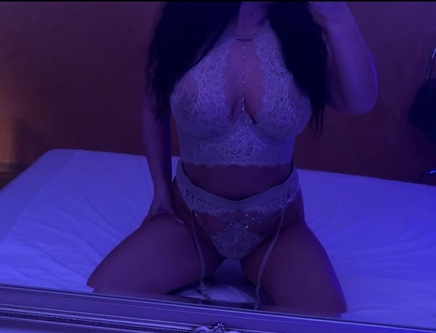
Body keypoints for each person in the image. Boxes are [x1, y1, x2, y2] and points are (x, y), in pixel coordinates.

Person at [87, 1, 377, 316]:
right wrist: (160, 188)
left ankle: (231, 324)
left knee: (323, 315)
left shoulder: (305, 32)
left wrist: (337, 16)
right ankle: (220, 323)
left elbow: (359, 102)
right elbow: (153, 104)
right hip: (192, 221)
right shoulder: (183, 25)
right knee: (108, 291)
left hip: (276, 226)